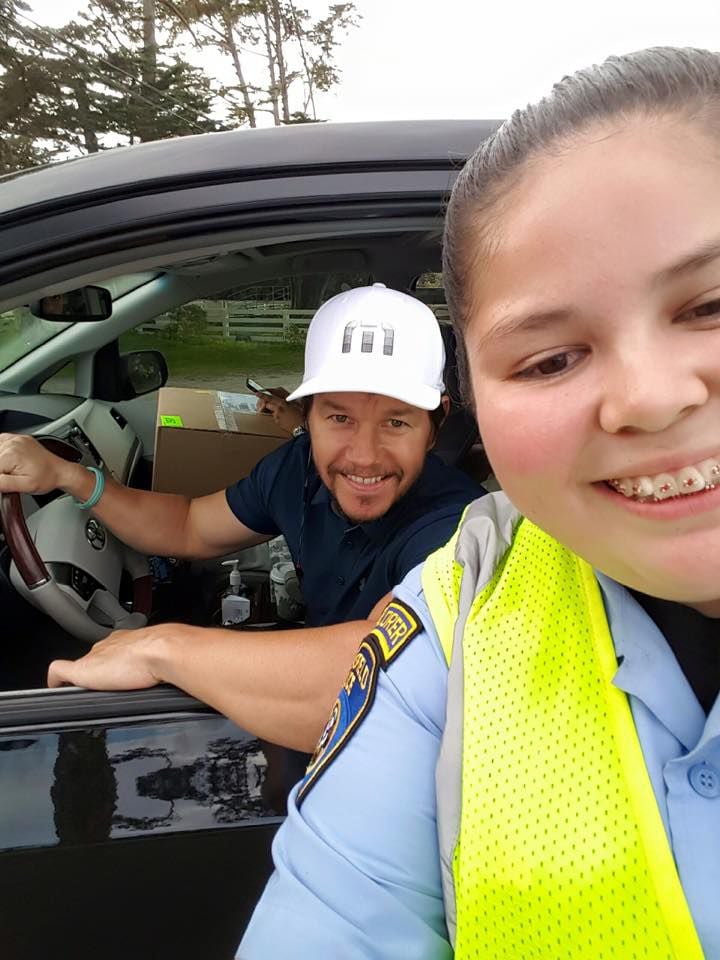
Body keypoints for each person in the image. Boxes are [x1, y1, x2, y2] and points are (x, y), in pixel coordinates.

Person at [239, 46, 720, 959]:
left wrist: (163, 645)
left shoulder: (452, 537)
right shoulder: (467, 606)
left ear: (443, 422)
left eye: (712, 303)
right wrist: (84, 486)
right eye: (548, 360)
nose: (651, 398)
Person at [0, 283, 481, 753]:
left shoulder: (459, 527)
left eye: (396, 422)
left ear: (434, 425)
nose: (364, 457)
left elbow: (379, 667)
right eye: (340, 418)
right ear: (305, 414)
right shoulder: (298, 469)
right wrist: (70, 476)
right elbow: (189, 525)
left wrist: (159, 647)